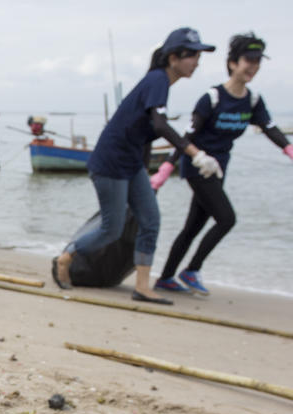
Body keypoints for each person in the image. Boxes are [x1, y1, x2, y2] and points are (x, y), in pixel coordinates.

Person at [52, 28, 220, 305]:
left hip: (131, 164)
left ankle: (142, 286)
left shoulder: (161, 83)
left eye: (198, 56)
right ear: (173, 57)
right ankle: (66, 257)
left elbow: (144, 134)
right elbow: (160, 125)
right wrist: (195, 154)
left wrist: (146, 173)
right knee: (112, 229)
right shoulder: (157, 80)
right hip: (110, 163)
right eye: (192, 55)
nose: (197, 62)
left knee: (150, 220)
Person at [151, 32, 293, 296]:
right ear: (233, 63)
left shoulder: (252, 101)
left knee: (193, 227)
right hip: (199, 166)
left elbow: (269, 127)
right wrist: (166, 168)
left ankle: (166, 278)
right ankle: (191, 270)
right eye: (248, 60)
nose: (253, 67)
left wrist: (292, 151)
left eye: (257, 62)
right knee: (226, 219)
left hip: (220, 168)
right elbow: (187, 137)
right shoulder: (212, 98)